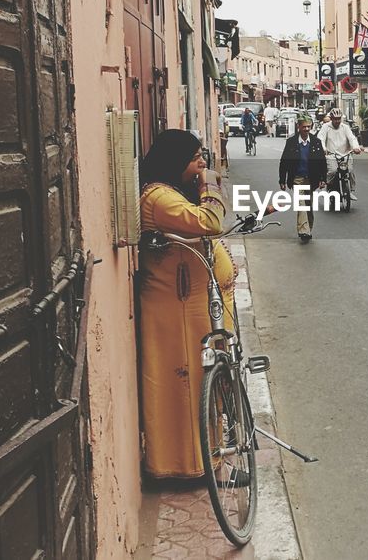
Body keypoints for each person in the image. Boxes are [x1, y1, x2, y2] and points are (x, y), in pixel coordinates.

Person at [137, 129, 238, 480]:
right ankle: (186, 467)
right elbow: (208, 222)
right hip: (175, 311)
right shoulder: (159, 198)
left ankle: (206, 462)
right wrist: (210, 182)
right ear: (174, 159)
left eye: (203, 156)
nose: (202, 162)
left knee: (199, 387)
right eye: (195, 157)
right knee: (184, 389)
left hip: (187, 307)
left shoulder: (169, 193)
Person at [279, 116, 328, 242]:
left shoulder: (316, 142)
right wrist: (282, 180)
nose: (306, 129)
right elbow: (284, 162)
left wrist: (323, 178)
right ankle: (303, 230)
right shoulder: (291, 142)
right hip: (297, 179)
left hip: (311, 179)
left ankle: (308, 228)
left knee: (308, 205)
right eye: (304, 127)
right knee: (301, 204)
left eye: (308, 127)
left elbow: (322, 162)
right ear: (298, 127)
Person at [316, 107, 362, 200]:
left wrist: (356, 147)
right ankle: (328, 186)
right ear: (331, 118)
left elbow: (352, 138)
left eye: (338, 119)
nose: (337, 121)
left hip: (345, 155)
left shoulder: (345, 127)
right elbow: (320, 139)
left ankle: (351, 191)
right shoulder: (326, 127)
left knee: (350, 170)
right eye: (335, 119)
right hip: (331, 155)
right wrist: (323, 149)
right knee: (332, 171)